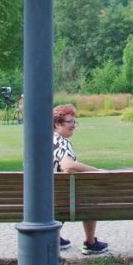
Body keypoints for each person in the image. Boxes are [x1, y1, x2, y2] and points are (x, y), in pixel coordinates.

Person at [53, 104, 108, 255]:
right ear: (57, 124)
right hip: (58, 202)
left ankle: (53, 235)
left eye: (74, 122)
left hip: (37, 203)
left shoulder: (40, 142)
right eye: (70, 122)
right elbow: (68, 166)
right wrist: (96, 171)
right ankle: (90, 242)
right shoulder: (62, 142)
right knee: (89, 198)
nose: (74, 126)